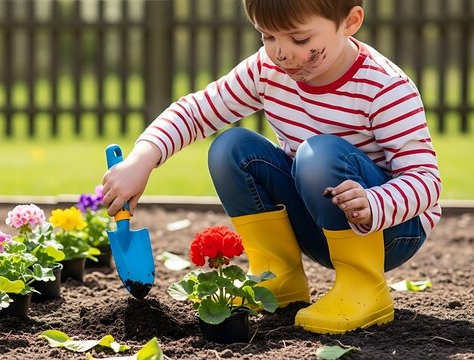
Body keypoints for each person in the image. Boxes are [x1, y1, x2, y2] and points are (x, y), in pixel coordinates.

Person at [101, 0, 441, 335]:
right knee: (230, 149)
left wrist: (373, 203)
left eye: (300, 39)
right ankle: (276, 277)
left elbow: (426, 180)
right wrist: (141, 160)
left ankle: (363, 285)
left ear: (350, 22)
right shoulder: (267, 70)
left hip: (388, 231)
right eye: (268, 37)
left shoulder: (384, 87)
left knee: (318, 154)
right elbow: (196, 111)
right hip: (317, 221)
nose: (281, 53)